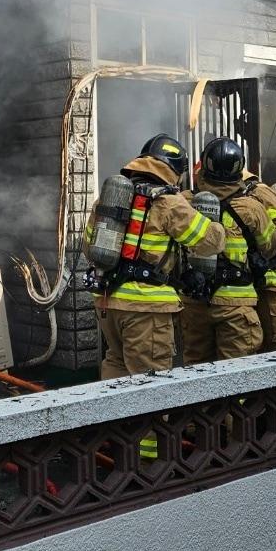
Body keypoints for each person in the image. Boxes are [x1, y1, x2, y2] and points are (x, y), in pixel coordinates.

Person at [84, 134, 226, 380]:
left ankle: (116, 420)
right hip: (146, 308)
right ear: (175, 170)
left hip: (109, 302)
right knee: (150, 384)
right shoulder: (169, 203)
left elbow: (88, 246)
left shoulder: (110, 197)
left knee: (116, 370)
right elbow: (211, 243)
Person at [178, 138, 276, 363]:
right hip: (236, 304)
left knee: (195, 371)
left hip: (195, 302)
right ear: (239, 169)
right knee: (237, 375)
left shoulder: (184, 202)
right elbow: (269, 244)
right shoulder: (251, 207)